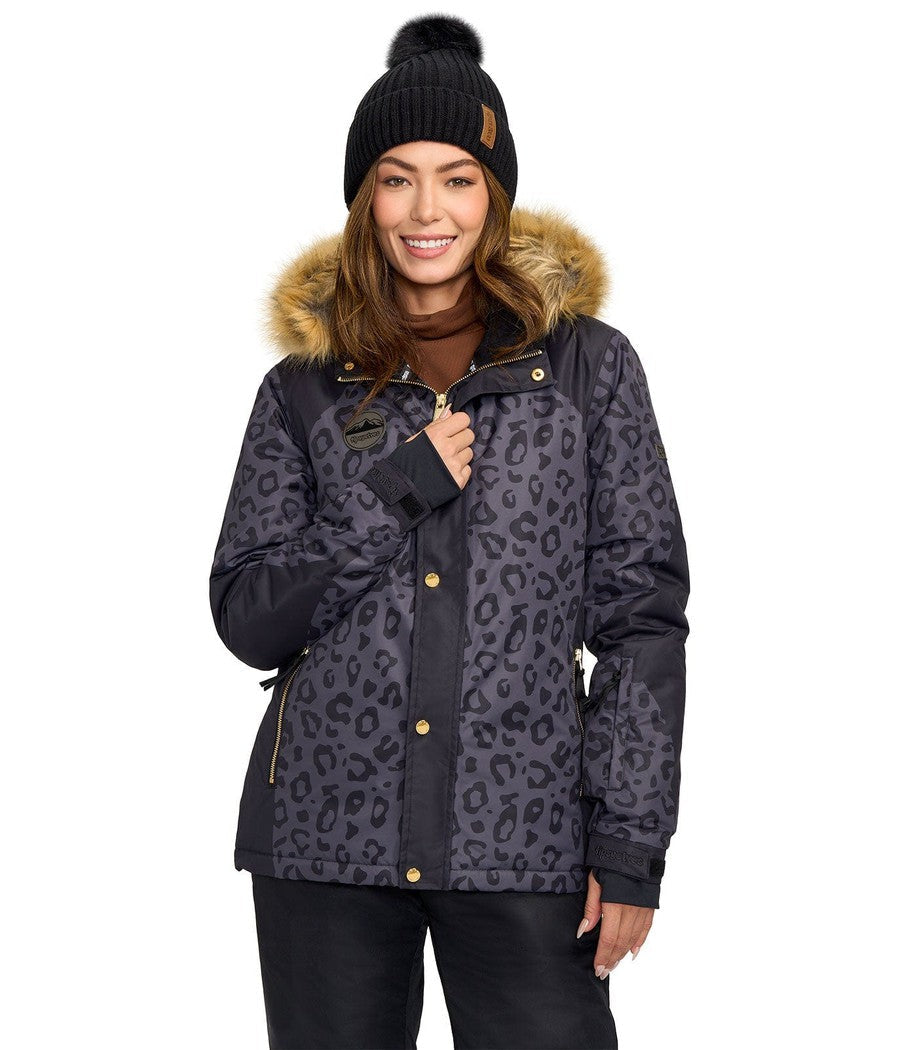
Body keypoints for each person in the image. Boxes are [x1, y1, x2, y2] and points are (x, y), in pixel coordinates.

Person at [208, 13, 690, 1050]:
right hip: (325, 838)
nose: (428, 210)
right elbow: (248, 615)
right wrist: (391, 494)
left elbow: (642, 619)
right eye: (397, 178)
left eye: (457, 179)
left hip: (525, 839)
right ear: (364, 199)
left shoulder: (587, 371)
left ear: (495, 196)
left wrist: (630, 845)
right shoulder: (303, 389)